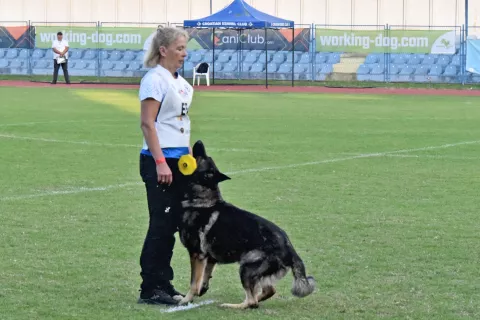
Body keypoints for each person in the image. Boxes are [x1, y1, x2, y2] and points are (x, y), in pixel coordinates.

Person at [137, 26, 193, 305]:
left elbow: (179, 125)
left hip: (179, 161)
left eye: (185, 48)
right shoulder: (154, 80)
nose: (184, 53)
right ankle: (150, 288)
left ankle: (164, 283)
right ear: (163, 50)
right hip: (159, 160)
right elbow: (148, 123)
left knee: (171, 225)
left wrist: (189, 155)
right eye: (180, 48)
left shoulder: (181, 83)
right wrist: (160, 162)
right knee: (160, 224)